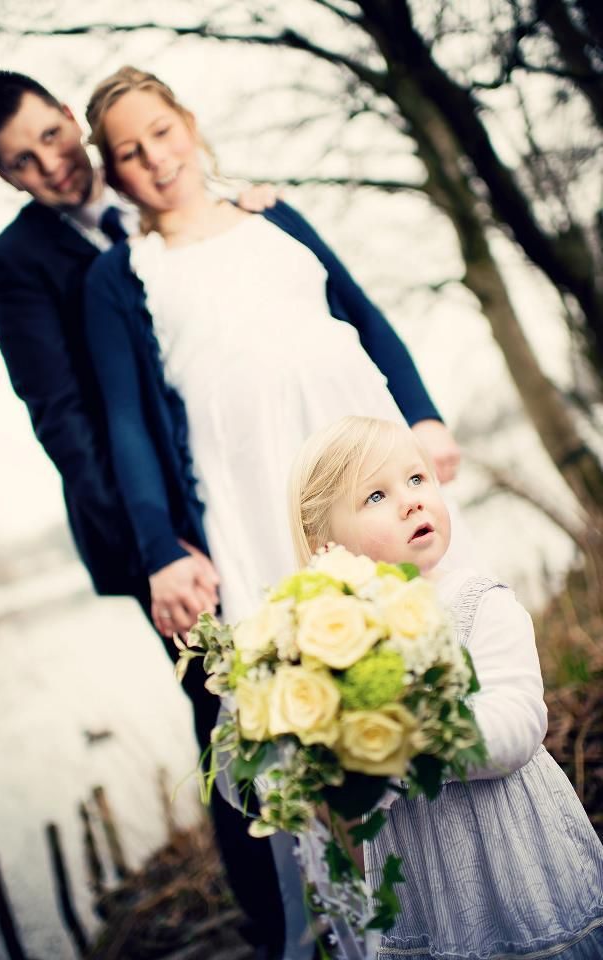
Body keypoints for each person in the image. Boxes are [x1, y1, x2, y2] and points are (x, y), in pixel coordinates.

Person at [0, 70, 286, 959]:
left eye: (53, 139)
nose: (51, 167)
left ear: (73, 121)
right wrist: (157, 541)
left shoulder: (157, 185)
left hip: (247, 485)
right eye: (21, 163)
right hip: (159, 537)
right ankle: (277, 924)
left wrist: (251, 205)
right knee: (226, 722)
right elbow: (66, 422)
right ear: (6, 178)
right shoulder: (13, 268)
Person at [82, 65, 461, 639]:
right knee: (320, 640)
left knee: (433, 610)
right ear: (113, 173)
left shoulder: (272, 215)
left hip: (366, 436)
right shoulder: (121, 275)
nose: (157, 157)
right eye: (132, 152)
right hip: (256, 479)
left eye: (162, 132)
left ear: (189, 125)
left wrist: (424, 416)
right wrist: (159, 544)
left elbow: (364, 316)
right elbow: (126, 420)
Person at [289, 414, 603, 960]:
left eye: (417, 480)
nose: (412, 501)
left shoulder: (480, 602)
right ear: (323, 543)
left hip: (516, 860)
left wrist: (410, 740)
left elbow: (518, 724)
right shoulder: (339, 641)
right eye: (377, 495)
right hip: (424, 881)